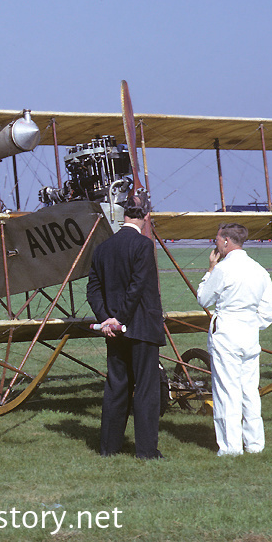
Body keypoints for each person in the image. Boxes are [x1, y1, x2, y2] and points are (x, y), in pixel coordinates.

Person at [86, 192, 166, 459]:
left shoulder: (102, 248)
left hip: (113, 330)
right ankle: (146, 451)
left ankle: (109, 447)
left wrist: (106, 319)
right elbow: (138, 286)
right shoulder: (143, 246)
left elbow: (93, 289)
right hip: (140, 327)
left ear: (122, 217)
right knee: (145, 389)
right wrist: (120, 319)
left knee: (116, 385)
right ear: (145, 217)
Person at [196, 223, 272, 457]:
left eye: (217, 240)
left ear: (225, 241)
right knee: (249, 390)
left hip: (227, 333)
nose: (216, 244)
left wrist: (210, 269)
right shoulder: (259, 270)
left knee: (226, 391)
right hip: (250, 333)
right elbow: (268, 310)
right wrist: (252, 324)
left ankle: (230, 447)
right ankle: (255, 444)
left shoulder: (223, 269)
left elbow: (203, 298)